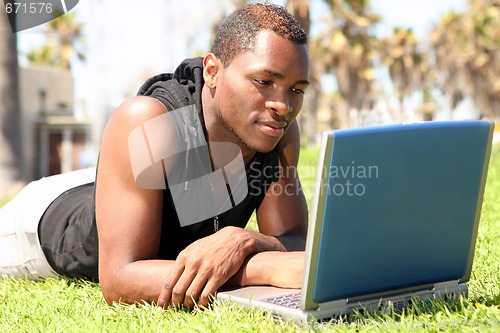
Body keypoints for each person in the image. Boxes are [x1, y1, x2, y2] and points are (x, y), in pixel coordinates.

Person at [0, 2, 309, 309]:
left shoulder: (276, 132)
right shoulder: (149, 123)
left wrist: (247, 240)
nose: (282, 106)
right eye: (263, 81)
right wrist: (260, 267)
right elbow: (120, 279)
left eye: (296, 90)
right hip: (37, 222)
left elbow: (297, 242)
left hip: (121, 184)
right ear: (213, 71)